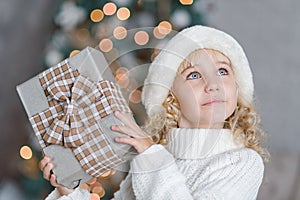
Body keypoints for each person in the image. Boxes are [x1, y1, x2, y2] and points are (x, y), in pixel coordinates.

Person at [40, 25, 269, 200]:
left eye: (222, 71)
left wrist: (151, 155)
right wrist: (68, 191)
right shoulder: (151, 160)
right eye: (194, 75)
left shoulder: (243, 163)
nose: (214, 84)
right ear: (170, 98)